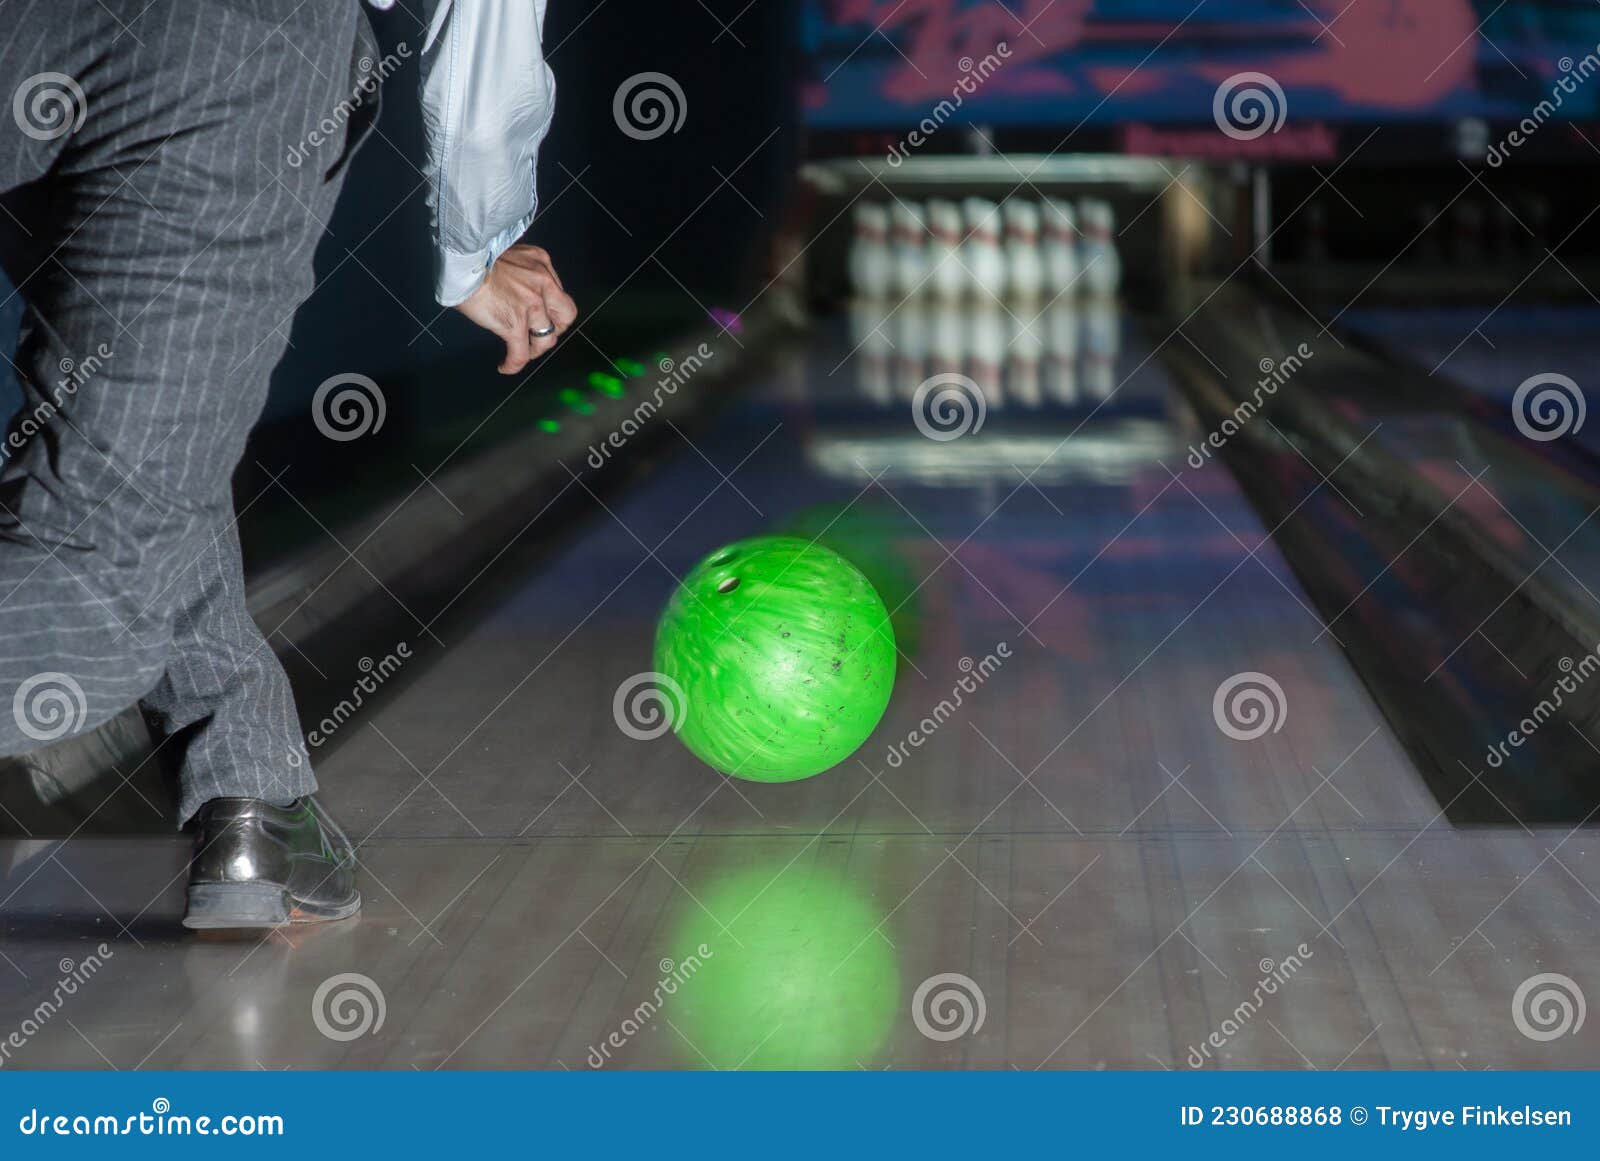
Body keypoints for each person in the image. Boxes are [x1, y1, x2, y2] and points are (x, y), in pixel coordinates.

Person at [0, 0, 576, 928]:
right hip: (219, 52)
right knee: (102, 587)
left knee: (156, 450)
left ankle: (252, 790)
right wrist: (480, 246)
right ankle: (250, 793)